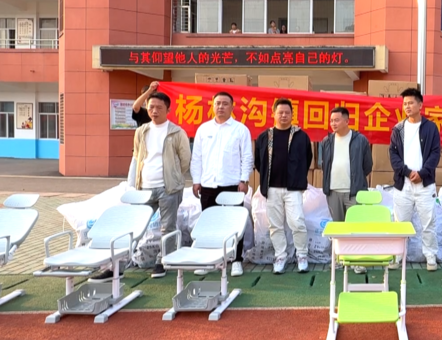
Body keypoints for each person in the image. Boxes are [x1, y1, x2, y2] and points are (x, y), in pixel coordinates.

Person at [91, 91, 191, 282]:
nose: (154, 111)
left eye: (159, 107)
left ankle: (162, 262)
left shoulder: (177, 132)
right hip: (143, 188)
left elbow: (185, 159)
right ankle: (117, 266)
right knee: (133, 227)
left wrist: (174, 177)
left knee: (167, 228)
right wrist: (135, 183)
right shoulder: (142, 131)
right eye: (151, 107)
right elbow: (137, 157)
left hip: (169, 188)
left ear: (168, 110)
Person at [190, 91, 254, 276]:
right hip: (208, 185)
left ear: (232, 107)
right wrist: (196, 181)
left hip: (232, 185)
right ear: (212, 105)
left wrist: (244, 180)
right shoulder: (203, 129)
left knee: (234, 224)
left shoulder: (240, 129)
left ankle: (236, 259)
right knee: (209, 224)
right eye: (217, 103)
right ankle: (209, 259)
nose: (221, 107)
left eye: (225, 104)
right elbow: (197, 157)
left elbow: (247, 157)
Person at [254, 98, 313, 274]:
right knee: (275, 225)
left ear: (292, 114)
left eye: (287, 112)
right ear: (273, 114)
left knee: (297, 222)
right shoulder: (265, 136)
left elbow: (307, 158)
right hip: (272, 188)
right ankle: (280, 256)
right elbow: (258, 161)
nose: (284, 115)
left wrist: (298, 177)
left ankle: (302, 255)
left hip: (293, 188)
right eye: (280, 112)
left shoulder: (301, 136)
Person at [389, 88, 441, 271]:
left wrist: (422, 173)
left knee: (428, 222)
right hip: (403, 184)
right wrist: (407, 172)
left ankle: (430, 256)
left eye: (411, 103)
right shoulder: (398, 129)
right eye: (405, 103)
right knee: (400, 223)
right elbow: (393, 155)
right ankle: (397, 256)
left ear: (420, 105)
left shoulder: (431, 128)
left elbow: (435, 153)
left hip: (424, 184)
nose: (407, 106)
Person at [318, 107, 372, 222]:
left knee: (354, 227)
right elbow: (324, 165)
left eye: (336, 120)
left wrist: (357, 178)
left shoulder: (360, 140)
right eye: (331, 121)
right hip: (333, 192)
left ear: (347, 121)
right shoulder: (327, 141)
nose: (333, 123)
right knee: (338, 227)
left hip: (354, 192)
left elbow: (367, 166)